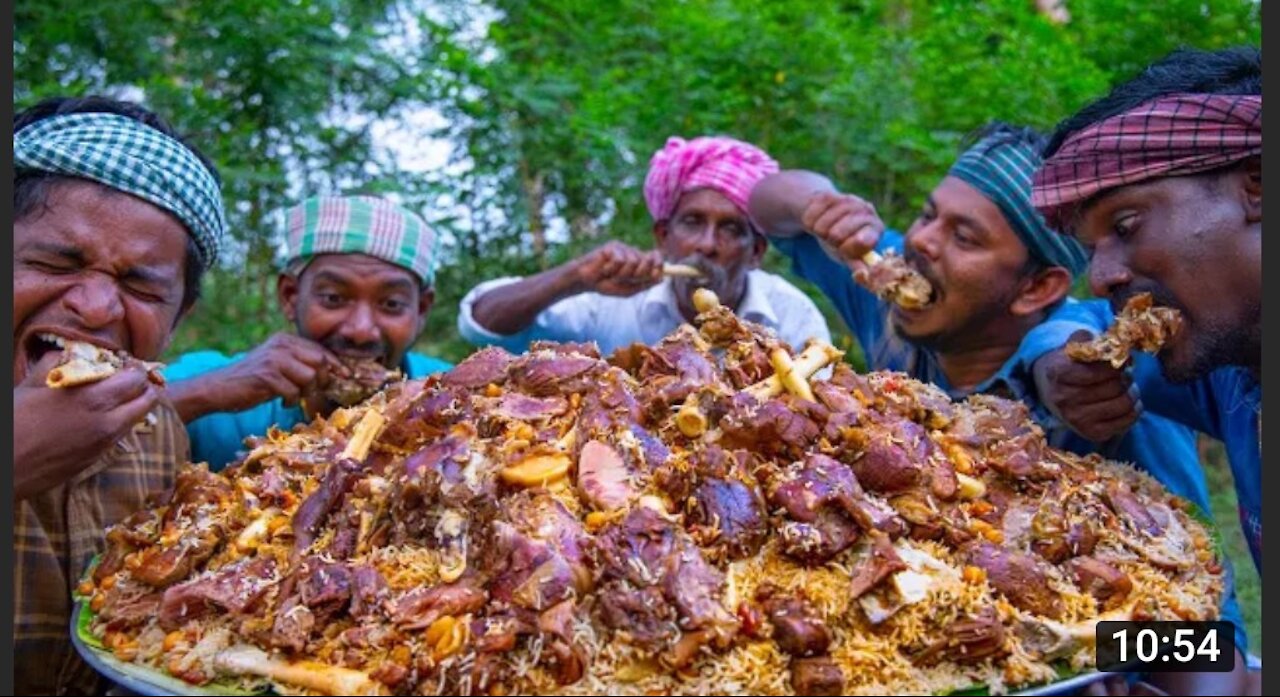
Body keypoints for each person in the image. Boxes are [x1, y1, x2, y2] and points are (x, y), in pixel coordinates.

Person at [749, 122, 1250, 692]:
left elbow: (1206, 635)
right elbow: (766, 200)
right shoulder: (892, 301)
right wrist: (823, 206)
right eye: (928, 215)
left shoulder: (1104, 396)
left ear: (1035, 289)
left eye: (965, 237)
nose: (922, 242)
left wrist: (1077, 653)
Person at [14, 95, 227, 695]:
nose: (96, 307)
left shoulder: (156, 432)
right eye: (56, 262)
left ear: (179, 315)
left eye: (141, 286)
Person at [1030, 46, 1261, 578]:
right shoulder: (1231, 377)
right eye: (1090, 250)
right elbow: (1071, 324)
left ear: (1257, 186)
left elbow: (1211, 651)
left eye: (1126, 225)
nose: (1104, 274)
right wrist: (1053, 367)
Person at [457, 135, 831, 356]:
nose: (707, 245)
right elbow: (480, 324)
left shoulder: (792, 316)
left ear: (756, 253)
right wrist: (576, 276)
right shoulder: (614, 299)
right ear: (662, 237)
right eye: (692, 222)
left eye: (731, 229)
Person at [163, 195, 452, 471]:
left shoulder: (455, 394)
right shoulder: (209, 383)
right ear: (291, 296)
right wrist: (207, 392)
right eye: (333, 298)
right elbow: (121, 419)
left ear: (421, 310)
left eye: (391, 304)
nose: (361, 331)